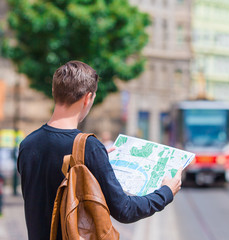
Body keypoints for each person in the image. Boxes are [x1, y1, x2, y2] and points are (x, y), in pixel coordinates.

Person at [17, 61, 182, 240]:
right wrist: (166, 192)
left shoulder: (28, 144)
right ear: (88, 98)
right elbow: (125, 210)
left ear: (54, 92)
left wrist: (98, 160)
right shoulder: (90, 147)